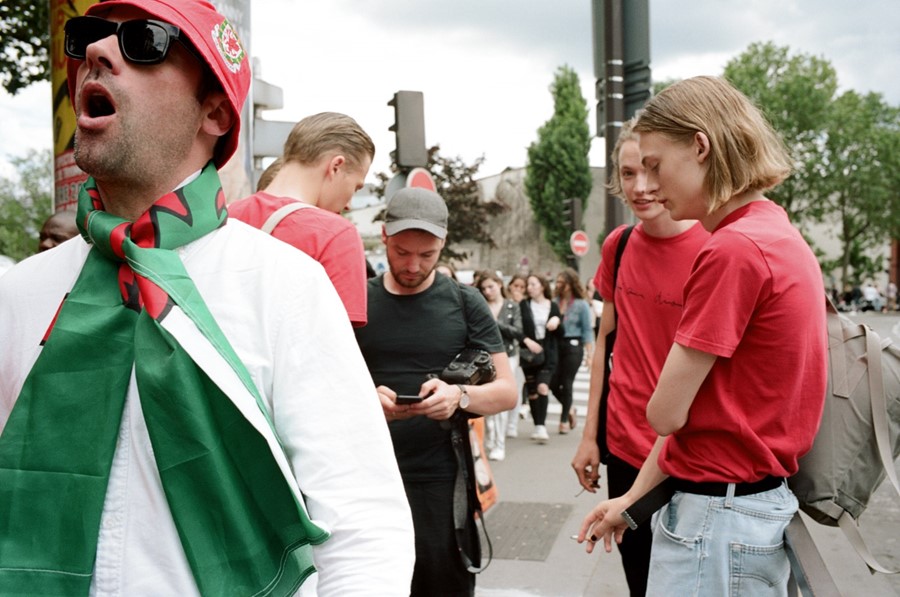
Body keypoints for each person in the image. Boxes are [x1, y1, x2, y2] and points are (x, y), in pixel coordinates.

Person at [0, 1, 414, 594]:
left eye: (143, 42)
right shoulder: (17, 294)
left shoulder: (287, 288)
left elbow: (363, 530)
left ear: (215, 112)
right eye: (88, 36)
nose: (95, 53)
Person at [577, 76, 827, 596]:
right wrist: (631, 501)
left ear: (700, 145)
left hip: (716, 517)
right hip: (745, 506)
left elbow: (666, 415)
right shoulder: (774, 230)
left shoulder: (731, 250)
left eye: (655, 163)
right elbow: (706, 417)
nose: (648, 184)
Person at [354, 187, 517, 597]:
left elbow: (506, 392)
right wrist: (365, 401)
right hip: (368, 475)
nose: (412, 265)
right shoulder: (355, 299)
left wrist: (458, 397)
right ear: (385, 236)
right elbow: (323, 386)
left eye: (426, 256)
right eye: (402, 252)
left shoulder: (465, 302)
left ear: (443, 244)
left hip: (442, 480)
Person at [570, 117, 709, 596]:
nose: (640, 187)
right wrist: (591, 438)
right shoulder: (620, 244)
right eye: (628, 174)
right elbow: (605, 341)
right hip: (625, 447)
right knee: (640, 582)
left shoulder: (713, 247)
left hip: (684, 454)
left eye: (650, 170)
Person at [229, 112, 374, 326]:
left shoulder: (224, 216)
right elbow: (333, 345)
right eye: (355, 187)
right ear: (336, 166)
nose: (348, 204)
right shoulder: (336, 235)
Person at [477, 269, 524, 460]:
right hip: (484, 357)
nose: (488, 291)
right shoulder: (480, 306)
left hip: (508, 355)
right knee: (485, 400)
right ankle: (490, 435)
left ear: (499, 285)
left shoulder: (512, 306)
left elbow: (518, 332)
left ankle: (499, 444)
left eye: (491, 286)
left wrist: (495, 323)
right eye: (484, 288)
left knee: (500, 401)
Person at [519, 273, 561, 444]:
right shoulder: (523, 305)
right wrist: (527, 341)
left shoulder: (553, 306)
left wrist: (557, 321)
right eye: (528, 284)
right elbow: (518, 328)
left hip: (548, 352)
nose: (530, 288)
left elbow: (561, 333)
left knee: (543, 387)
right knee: (532, 392)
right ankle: (537, 425)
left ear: (542, 286)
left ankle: (541, 426)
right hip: (530, 354)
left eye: (533, 284)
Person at [552, 267, 594, 435]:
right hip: (556, 345)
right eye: (557, 282)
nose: (558, 285)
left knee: (567, 382)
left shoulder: (581, 304)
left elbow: (587, 331)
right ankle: (569, 407)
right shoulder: (554, 301)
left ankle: (563, 421)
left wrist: (589, 355)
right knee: (553, 382)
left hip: (574, 346)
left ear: (569, 284)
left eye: (561, 282)